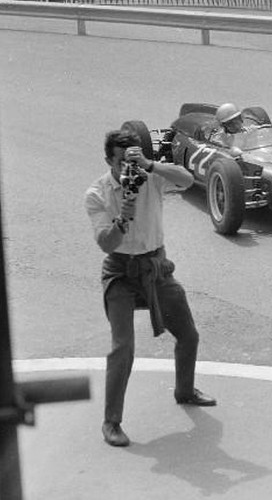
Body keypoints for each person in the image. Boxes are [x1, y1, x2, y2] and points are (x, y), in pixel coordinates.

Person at [84, 130, 216, 448]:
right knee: (123, 348)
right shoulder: (97, 193)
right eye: (121, 162)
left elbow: (186, 180)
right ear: (108, 161)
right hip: (120, 271)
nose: (127, 169)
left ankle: (184, 390)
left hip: (155, 267)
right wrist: (123, 218)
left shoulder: (150, 177)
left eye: (131, 159)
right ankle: (111, 421)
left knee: (188, 334)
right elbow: (106, 244)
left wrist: (149, 164)